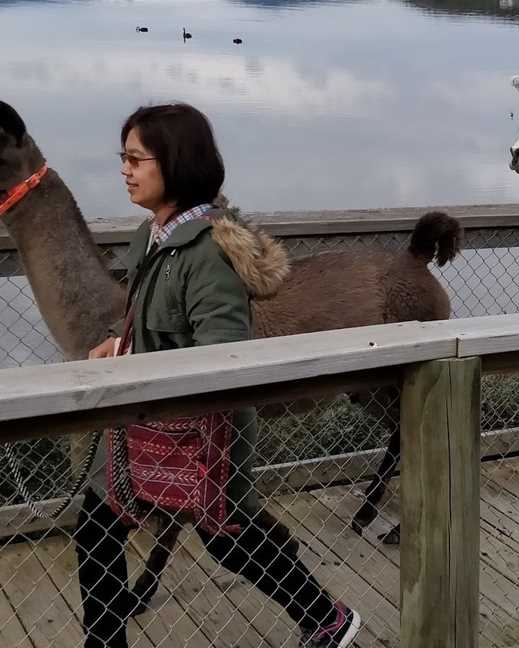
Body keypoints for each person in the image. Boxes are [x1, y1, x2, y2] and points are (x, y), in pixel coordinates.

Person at [78, 103, 361, 648]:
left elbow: (224, 354)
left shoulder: (207, 252)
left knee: (231, 536)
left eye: (137, 158)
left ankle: (325, 617)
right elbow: (162, 321)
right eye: (124, 157)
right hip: (144, 424)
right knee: (98, 522)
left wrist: (148, 367)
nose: (125, 169)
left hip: (203, 434)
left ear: (176, 164)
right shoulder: (155, 235)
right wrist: (122, 343)